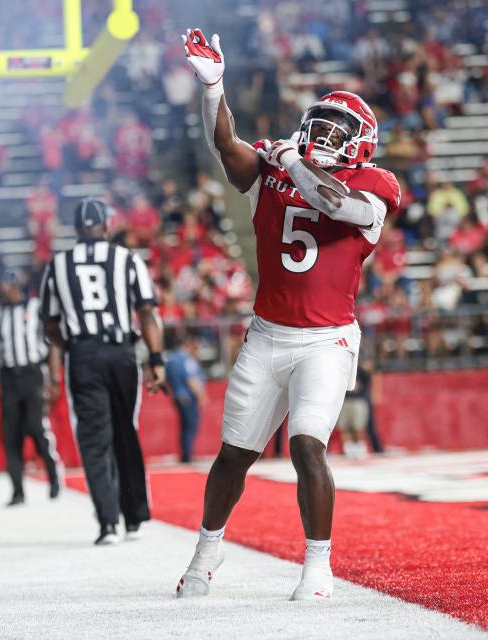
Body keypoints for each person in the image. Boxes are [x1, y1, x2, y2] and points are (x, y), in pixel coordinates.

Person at [176, 29, 400, 602]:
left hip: (326, 341)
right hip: (268, 335)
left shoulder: (373, 188)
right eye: (319, 125)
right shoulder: (277, 169)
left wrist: (295, 162)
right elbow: (225, 146)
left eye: (338, 132)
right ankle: (206, 550)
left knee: (307, 445)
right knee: (233, 456)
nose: (324, 136)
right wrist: (212, 87)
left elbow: (332, 201)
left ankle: (318, 566)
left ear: (361, 145)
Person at [40, 198, 166, 545]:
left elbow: (49, 323)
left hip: (83, 353)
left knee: (95, 440)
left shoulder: (59, 264)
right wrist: (156, 359)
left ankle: (108, 523)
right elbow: (147, 312)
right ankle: (134, 518)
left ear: (78, 229)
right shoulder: (126, 259)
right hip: (120, 351)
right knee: (126, 429)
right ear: (107, 226)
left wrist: (73, 348)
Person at [0, 269, 63, 506]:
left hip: (33, 374)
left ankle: (53, 474)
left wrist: (54, 379)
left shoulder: (36, 308)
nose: (2, 289)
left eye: (6, 285)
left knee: (37, 428)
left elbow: (53, 345)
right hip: (9, 377)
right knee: (11, 435)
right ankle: (17, 490)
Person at [165, 332, 207, 463]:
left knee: (184, 427)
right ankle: (187, 455)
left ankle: (185, 453)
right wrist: (201, 396)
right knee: (190, 426)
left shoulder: (171, 358)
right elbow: (192, 379)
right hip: (187, 397)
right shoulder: (186, 359)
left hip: (177, 396)